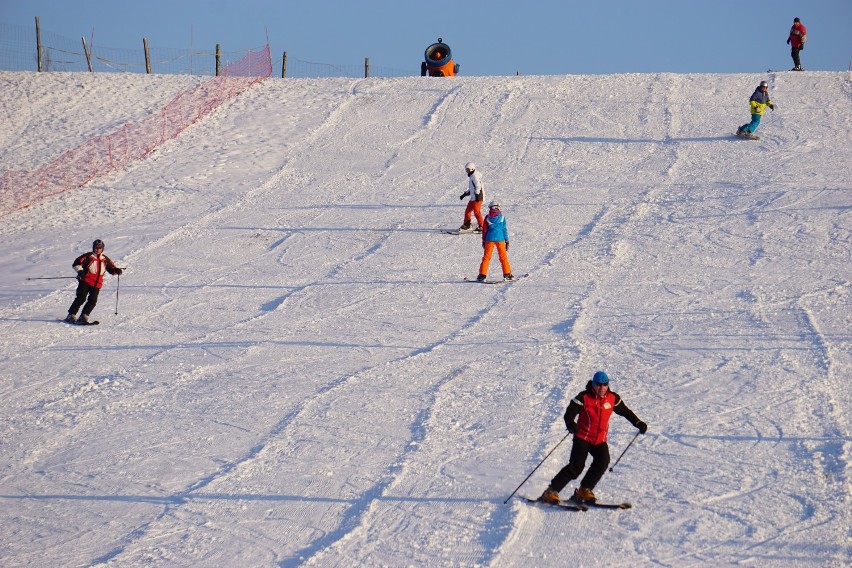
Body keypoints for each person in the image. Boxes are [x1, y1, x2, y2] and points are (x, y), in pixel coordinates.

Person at [539, 371, 647, 504]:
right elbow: (569, 413)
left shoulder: (612, 398)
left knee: (603, 461)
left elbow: (626, 412)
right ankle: (550, 491)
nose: (601, 388)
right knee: (576, 467)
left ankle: (584, 490)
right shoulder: (584, 397)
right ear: (593, 384)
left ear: (608, 385)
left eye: (604, 385)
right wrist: (571, 424)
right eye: (598, 385)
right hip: (582, 437)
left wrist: (638, 423)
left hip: (599, 440)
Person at [65, 239, 122, 323]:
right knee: (81, 298)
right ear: (93, 248)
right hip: (85, 281)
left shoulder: (105, 259)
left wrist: (116, 270)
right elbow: (76, 263)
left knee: (93, 301)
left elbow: (111, 268)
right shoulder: (88, 256)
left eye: (99, 248)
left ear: (102, 248)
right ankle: (71, 315)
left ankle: (84, 316)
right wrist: (80, 272)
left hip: (97, 284)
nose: (97, 249)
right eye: (96, 247)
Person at [476, 200, 513, 281]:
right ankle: (507, 274)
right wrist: (506, 240)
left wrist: (483, 240)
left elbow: (484, 230)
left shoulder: (487, 218)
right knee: (503, 257)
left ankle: (482, 275)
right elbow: (504, 230)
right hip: (500, 239)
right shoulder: (502, 218)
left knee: (486, 257)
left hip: (489, 239)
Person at [458, 162, 484, 232]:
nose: (467, 171)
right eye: (466, 170)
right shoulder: (472, 176)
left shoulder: (475, 176)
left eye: (468, 169)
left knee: (476, 211)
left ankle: (482, 226)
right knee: (468, 211)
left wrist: (478, 195)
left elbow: (478, 186)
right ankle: (467, 225)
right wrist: (465, 194)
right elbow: (472, 188)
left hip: (478, 197)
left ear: (472, 169)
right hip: (473, 198)